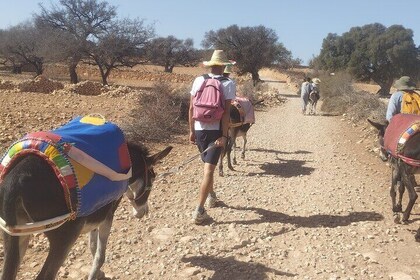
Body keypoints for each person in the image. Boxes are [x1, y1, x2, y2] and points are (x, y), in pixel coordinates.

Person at [189, 50, 236, 224]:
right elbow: (225, 114)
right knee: (209, 170)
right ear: (224, 66)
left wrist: (191, 131)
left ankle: (212, 196)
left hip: (199, 129)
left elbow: (191, 109)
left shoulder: (199, 80)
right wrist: (224, 135)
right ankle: (199, 210)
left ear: (210, 65)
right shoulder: (228, 83)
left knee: (207, 167)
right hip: (216, 131)